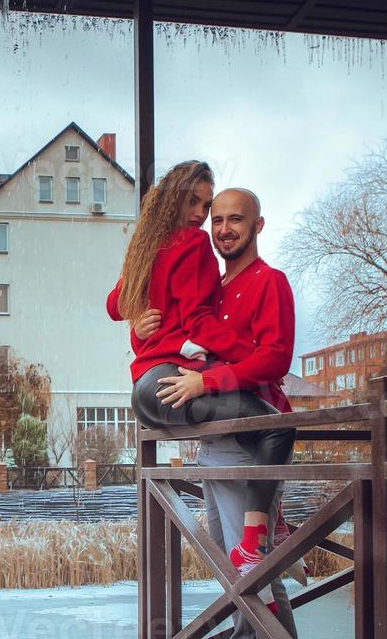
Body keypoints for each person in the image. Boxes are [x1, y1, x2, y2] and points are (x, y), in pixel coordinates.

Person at [140, 187, 303, 639]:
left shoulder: (268, 282)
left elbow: (275, 357)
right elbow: (174, 324)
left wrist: (208, 378)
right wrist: (141, 319)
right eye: (217, 219)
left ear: (258, 225)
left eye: (236, 219)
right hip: (215, 440)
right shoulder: (213, 286)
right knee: (230, 556)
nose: (223, 228)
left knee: (253, 564)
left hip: (251, 432)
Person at [105, 161, 280, 441]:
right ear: (174, 201)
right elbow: (197, 323)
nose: (199, 214)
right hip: (175, 378)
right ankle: (269, 486)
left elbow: (114, 305)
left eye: (206, 206)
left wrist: (137, 328)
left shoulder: (147, 249)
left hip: (144, 387)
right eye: (192, 202)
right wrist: (254, 356)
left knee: (246, 435)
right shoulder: (194, 242)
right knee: (275, 426)